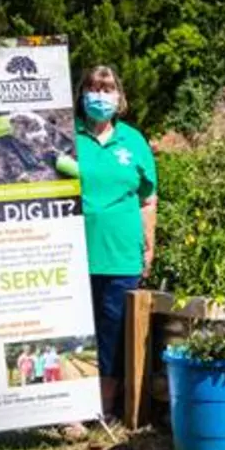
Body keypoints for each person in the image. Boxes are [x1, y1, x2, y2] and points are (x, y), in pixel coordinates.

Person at [75, 65, 158, 419]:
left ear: (120, 98)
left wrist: (149, 243)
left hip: (122, 252)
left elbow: (147, 197)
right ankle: (70, 406)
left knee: (113, 333)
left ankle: (105, 406)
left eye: (107, 89)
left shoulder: (133, 141)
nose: (100, 95)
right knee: (78, 330)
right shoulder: (66, 137)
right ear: (80, 94)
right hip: (73, 253)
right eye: (93, 87)